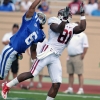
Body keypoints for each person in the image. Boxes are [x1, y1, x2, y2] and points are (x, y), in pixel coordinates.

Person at [1, 2, 86, 100]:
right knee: (32, 73)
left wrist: (82, 14)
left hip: (56, 56)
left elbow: (82, 27)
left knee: (56, 83)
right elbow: (58, 29)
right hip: (47, 52)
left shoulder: (71, 26)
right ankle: (7, 85)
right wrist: (64, 21)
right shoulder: (53, 20)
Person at [0, 0, 46, 81]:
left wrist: (35, 61)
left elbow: (33, 49)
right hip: (11, 49)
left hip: (13, 51)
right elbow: (32, 7)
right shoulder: (39, 33)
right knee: (1, 76)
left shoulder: (34, 27)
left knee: (2, 75)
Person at [63, 23, 89, 94]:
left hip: (78, 56)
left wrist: (83, 54)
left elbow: (86, 46)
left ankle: (81, 89)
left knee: (79, 73)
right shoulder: (70, 34)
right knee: (70, 73)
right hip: (70, 56)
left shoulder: (82, 35)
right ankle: (70, 88)